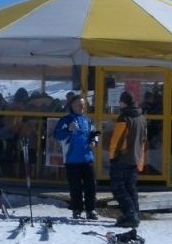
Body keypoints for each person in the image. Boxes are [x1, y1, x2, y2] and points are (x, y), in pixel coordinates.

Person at [53, 96, 99, 219]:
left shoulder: (88, 120)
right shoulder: (66, 120)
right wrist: (68, 129)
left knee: (91, 186)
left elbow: (95, 133)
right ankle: (77, 209)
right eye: (79, 104)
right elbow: (57, 135)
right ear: (72, 105)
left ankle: (91, 209)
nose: (81, 106)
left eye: (83, 104)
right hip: (72, 159)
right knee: (75, 187)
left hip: (87, 158)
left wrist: (94, 141)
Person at [108, 91, 147, 228]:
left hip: (122, 157)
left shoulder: (124, 118)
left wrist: (112, 156)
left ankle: (130, 215)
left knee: (118, 188)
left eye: (120, 101)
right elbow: (143, 139)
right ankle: (135, 213)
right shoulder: (141, 118)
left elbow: (116, 140)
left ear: (123, 102)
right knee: (130, 187)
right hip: (134, 157)